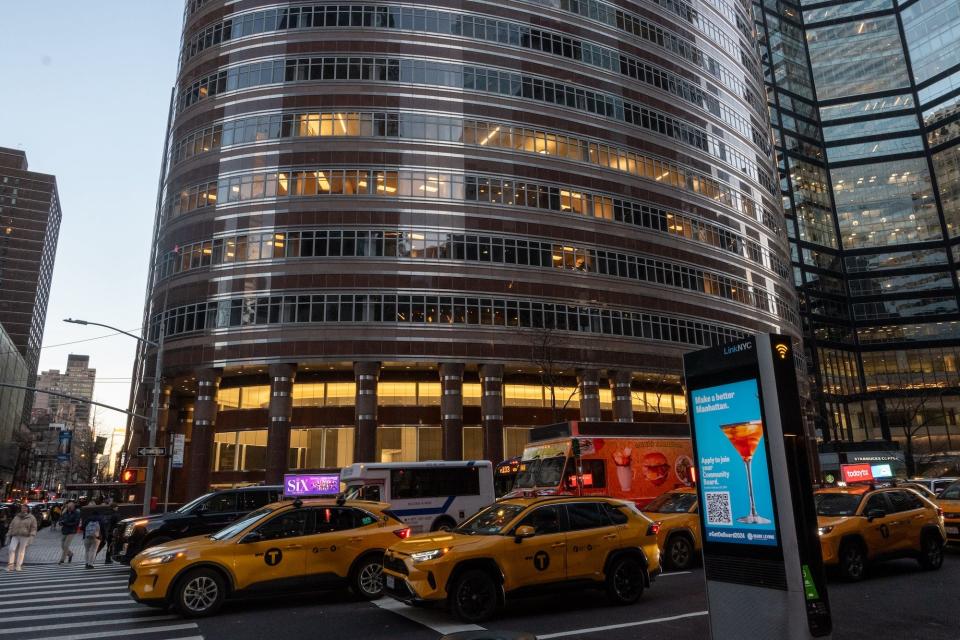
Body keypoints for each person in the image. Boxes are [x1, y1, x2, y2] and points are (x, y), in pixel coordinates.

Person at [6, 503, 37, 571]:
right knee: (11, 549)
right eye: (22, 508)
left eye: (25, 508)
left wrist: (32, 535)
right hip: (15, 535)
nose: (24, 509)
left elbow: (34, 528)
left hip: (25, 536)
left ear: (28, 509)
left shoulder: (31, 517)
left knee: (21, 551)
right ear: (21, 509)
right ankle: (11, 565)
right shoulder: (16, 516)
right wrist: (9, 533)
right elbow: (11, 525)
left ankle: (18, 565)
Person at [97, 498, 120, 565]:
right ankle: (108, 559)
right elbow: (117, 524)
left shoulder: (105, 513)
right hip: (111, 533)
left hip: (103, 532)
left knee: (101, 545)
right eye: (117, 507)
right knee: (110, 546)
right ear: (114, 507)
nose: (117, 508)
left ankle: (92, 557)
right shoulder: (116, 515)